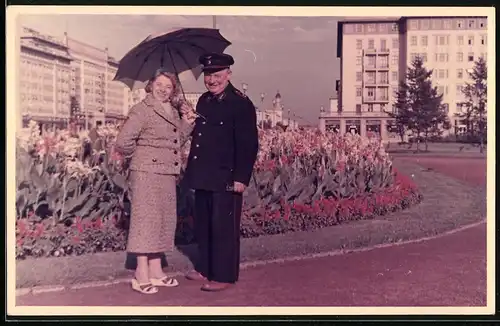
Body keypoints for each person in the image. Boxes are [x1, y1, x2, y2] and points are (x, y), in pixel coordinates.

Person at [114, 68, 197, 295]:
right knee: (145, 222)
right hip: (146, 173)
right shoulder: (142, 110)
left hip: (167, 173)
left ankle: (156, 270)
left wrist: (188, 123)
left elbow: (175, 140)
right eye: (159, 85)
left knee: (162, 221)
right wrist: (142, 155)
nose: (163, 90)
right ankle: (140, 274)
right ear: (150, 86)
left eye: (168, 87)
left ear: (173, 90)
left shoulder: (170, 110)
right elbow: (123, 142)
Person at [183, 53, 259, 292]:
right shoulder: (204, 101)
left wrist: (241, 177)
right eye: (208, 75)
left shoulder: (240, 103)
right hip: (204, 174)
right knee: (204, 225)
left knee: (223, 227)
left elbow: (248, 144)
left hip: (227, 176)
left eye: (217, 74)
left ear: (229, 74)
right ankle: (205, 268)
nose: (212, 80)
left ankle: (224, 275)